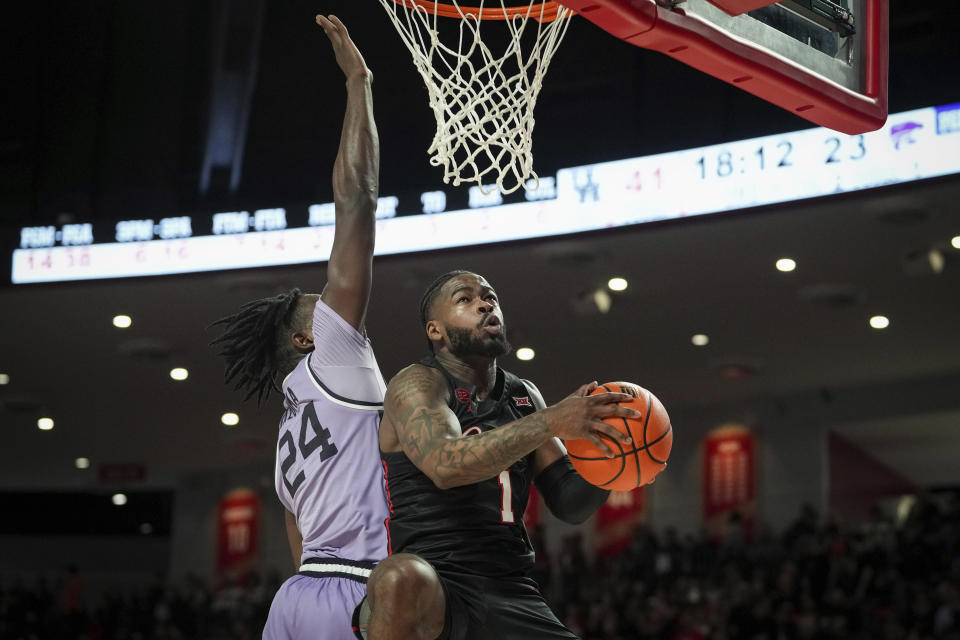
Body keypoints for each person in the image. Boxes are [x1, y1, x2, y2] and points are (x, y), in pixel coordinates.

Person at [211, 15, 385, 640]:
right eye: (323, 306)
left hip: (296, 597)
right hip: (363, 591)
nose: (341, 309)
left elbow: (294, 524)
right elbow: (356, 199)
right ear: (308, 338)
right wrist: (358, 81)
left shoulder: (291, 416)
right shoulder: (333, 358)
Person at [364, 270, 641, 640]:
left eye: (490, 296)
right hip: (435, 585)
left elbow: (569, 501)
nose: (484, 303)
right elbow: (445, 464)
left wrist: (618, 460)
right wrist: (551, 421)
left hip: (509, 588)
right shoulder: (416, 384)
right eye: (465, 299)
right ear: (436, 331)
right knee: (398, 576)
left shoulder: (523, 396)